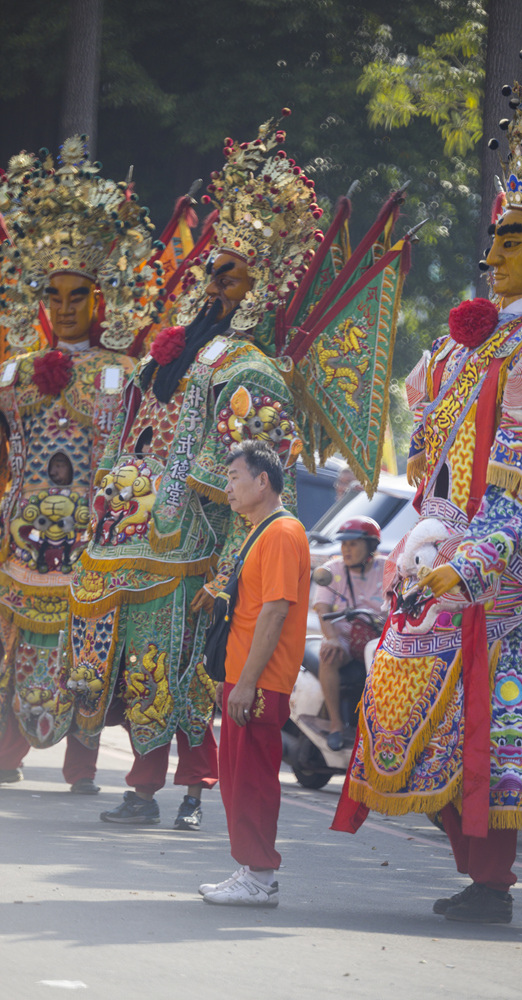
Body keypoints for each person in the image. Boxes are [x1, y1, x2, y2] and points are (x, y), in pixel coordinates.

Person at [332, 33, 522, 924]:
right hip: (440, 567)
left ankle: (489, 883)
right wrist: (423, 546)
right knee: (398, 727)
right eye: (494, 236)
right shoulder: (468, 350)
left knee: (481, 739)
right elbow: (434, 470)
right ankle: (478, 876)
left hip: (505, 583)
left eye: (514, 238)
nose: (494, 251)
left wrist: (466, 563)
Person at [68, 117, 319, 830]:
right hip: (144, 536)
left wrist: (226, 549)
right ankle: (151, 783)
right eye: (213, 267)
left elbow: (263, 472)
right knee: (148, 665)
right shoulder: (180, 352)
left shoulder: (249, 368)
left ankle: (185, 788)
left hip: (201, 547)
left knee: (189, 670)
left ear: (260, 283)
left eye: (231, 271)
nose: (214, 280)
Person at [0, 139, 155, 792]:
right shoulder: (15, 369)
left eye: (78, 294)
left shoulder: (120, 373)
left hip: (92, 540)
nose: (64, 306)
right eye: (53, 294)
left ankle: (81, 768)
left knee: (89, 650)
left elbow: (136, 455)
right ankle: (5, 754)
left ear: (100, 297)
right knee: (13, 648)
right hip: (19, 537)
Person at [198, 440, 310, 907]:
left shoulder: (282, 532)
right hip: (244, 676)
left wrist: (246, 681)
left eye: (234, 478)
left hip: (259, 681)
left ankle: (261, 877)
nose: (228, 489)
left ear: (263, 481)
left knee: (254, 780)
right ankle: (250, 870)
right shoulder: (259, 530)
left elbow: (275, 611)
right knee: (238, 778)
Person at [312, 517, 386, 749]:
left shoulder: (388, 569)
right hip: (343, 637)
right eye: (344, 544)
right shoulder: (332, 570)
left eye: (353, 544)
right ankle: (336, 725)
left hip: (377, 639)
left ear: (370, 546)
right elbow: (322, 608)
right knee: (328, 655)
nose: (346, 549)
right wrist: (331, 638)